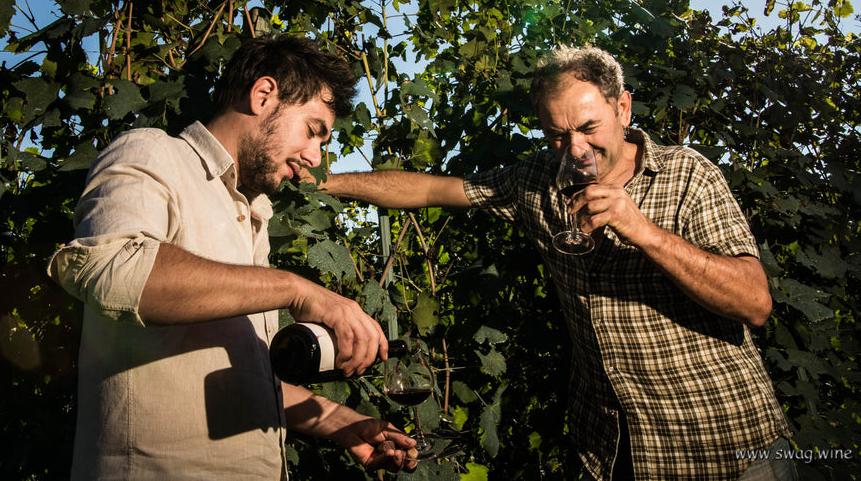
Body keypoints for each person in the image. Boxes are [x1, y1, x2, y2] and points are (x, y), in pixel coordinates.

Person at [308, 45, 794, 480]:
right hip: (613, 450)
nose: (575, 149)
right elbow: (433, 188)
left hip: (731, 449)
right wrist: (324, 184)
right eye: (556, 135)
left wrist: (642, 230)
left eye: (588, 128)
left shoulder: (689, 175)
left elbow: (754, 302)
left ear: (622, 108)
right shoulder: (536, 181)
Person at [47, 35, 417, 479]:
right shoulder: (152, 153)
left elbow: (244, 376)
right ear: (263, 96)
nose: (316, 157)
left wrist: (344, 424)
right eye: (313, 130)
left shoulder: (252, 219)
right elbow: (114, 270)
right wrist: (297, 290)